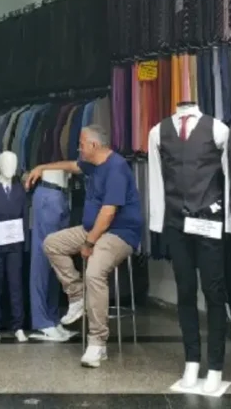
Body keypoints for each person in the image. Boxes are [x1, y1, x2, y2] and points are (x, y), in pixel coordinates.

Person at [25, 125, 143, 368]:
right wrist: (42, 167)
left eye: (81, 144)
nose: (78, 148)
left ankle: (98, 342)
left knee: (94, 271)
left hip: (119, 233)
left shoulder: (117, 168)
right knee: (52, 243)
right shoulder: (93, 163)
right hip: (93, 229)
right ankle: (77, 295)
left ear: (94, 145)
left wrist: (89, 243)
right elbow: (71, 166)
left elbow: (108, 213)